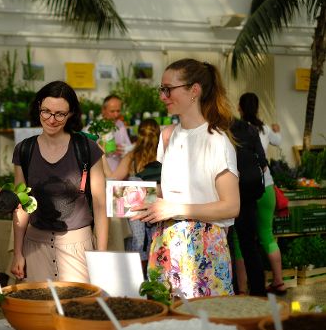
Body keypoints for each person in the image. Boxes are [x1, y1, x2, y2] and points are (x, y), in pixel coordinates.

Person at [132, 58, 240, 298]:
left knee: (204, 322)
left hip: (204, 247)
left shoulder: (217, 141)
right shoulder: (168, 136)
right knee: (168, 318)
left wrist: (174, 209)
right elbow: (171, 192)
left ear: (194, 90)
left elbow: (231, 206)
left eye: (168, 89)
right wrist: (136, 198)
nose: (163, 96)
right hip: (166, 243)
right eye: (162, 89)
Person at [10, 80, 108, 283]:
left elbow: (100, 205)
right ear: (38, 108)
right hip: (36, 247)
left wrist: (101, 256)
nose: (51, 119)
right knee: (39, 310)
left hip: (78, 248)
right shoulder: (24, 150)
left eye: (60, 114)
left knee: (78, 308)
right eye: (46, 111)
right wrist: (18, 252)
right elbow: (22, 204)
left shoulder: (87, 148)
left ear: (71, 114)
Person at [238, 92, 287, 295]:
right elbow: (278, 141)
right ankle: (279, 281)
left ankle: (241, 289)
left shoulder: (237, 130)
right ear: (257, 108)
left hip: (245, 189)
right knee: (267, 234)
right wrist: (278, 130)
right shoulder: (263, 128)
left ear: (240, 108)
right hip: (266, 187)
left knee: (240, 239)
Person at [102, 118, 161, 271]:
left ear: (139, 134)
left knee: (138, 256)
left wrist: (102, 156)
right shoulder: (165, 154)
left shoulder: (132, 156)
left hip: (138, 219)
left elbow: (112, 181)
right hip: (160, 213)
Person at [229, 117, 268, 296]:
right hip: (248, 195)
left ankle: (235, 290)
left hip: (226, 195)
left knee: (227, 244)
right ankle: (259, 292)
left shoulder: (217, 130)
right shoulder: (249, 129)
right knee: (249, 245)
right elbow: (263, 164)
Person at [99, 95, 132, 172]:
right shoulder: (94, 126)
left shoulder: (120, 124)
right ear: (103, 110)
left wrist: (125, 149)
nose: (116, 115)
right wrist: (106, 148)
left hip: (119, 173)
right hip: (101, 173)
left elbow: (128, 145)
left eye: (118, 111)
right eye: (112, 111)